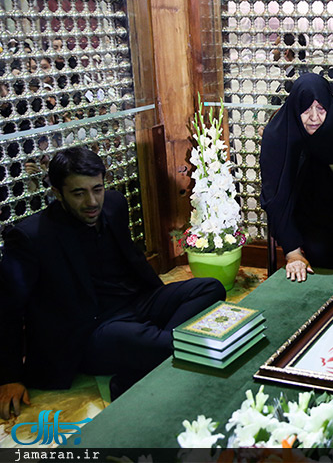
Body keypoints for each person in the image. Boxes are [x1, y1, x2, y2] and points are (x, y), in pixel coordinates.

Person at [0, 147, 226, 419]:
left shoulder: (114, 204)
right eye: (78, 193)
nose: (92, 201)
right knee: (167, 343)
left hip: (135, 304)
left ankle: (143, 361)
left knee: (210, 288)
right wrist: (9, 376)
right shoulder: (32, 236)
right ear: (58, 193)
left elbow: (132, 259)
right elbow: (7, 307)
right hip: (90, 331)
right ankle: (147, 357)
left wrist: (160, 303)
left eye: (97, 189)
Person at [259, 73, 333, 282]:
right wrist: (293, 253)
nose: (314, 117)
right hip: (299, 214)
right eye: (306, 109)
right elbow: (275, 198)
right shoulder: (277, 136)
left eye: (321, 109)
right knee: (320, 250)